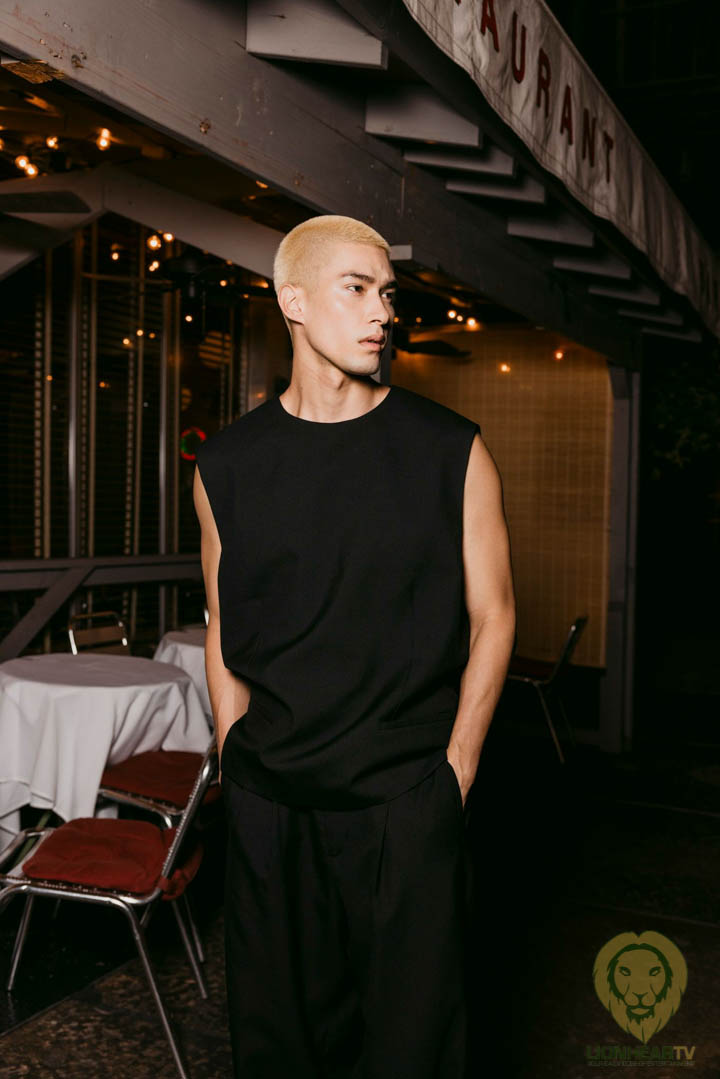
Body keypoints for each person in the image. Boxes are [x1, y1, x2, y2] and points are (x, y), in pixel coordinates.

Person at [193, 214, 516, 1079]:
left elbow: (494, 615)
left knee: (414, 1048)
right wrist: (231, 748)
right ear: (293, 300)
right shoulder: (226, 465)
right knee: (278, 1047)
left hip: (403, 801)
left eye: (388, 294)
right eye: (358, 288)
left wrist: (455, 770)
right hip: (271, 802)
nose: (382, 312)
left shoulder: (451, 451)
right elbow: (224, 618)